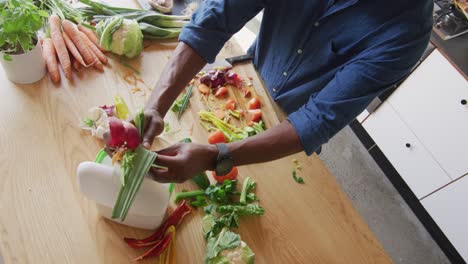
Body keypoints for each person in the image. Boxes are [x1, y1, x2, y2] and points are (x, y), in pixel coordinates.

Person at [139, 0, 433, 183]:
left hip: (287, 137)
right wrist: (156, 104)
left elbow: (318, 119)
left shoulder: (406, 33)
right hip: (247, 82)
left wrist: (214, 157)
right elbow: (217, 18)